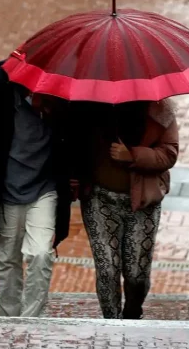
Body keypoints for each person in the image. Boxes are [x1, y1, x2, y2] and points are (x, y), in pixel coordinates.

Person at [0, 61, 72, 317]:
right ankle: (8, 320)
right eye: (43, 101)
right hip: (5, 191)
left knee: (41, 254)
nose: (46, 108)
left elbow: (74, 142)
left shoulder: (61, 99)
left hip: (44, 189)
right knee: (7, 259)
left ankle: (31, 321)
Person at [74, 99, 178, 319]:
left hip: (142, 202)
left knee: (136, 275)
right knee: (107, 269)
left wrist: (133, 155)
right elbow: (71, 143)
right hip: (99, 199)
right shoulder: (88, 104)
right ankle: (111, 323)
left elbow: (169, 153)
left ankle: (132, 315)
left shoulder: (160, 109)